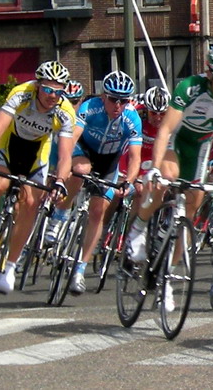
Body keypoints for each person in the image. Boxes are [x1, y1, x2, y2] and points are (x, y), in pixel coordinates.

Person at [124, 44, 213, 311]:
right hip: (176, 141)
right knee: (166, 178)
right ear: (210, 73)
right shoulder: (190, 87)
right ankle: (139, 227)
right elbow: (165, 129)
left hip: (200, 148)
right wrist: (154, 167)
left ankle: (167, 278)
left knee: (190, 213)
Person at [0, 61, 78, 295]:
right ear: (38, 85)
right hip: (8, 146)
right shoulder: (21, 93)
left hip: (35, 155)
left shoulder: (65, 112)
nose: (53, 96)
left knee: (31, 204)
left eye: (58, 91)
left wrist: (61, 181)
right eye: (48, 89)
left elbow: (65, 155)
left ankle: (10, 266)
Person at [58, 70, 143, 295]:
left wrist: (129, 181)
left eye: (124, 100)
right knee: (81, 170)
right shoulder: (90, 107)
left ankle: (80, 269)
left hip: (109, 162)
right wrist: (62, 169)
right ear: (104, 96)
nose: (118, 105)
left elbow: (135, 157)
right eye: (113, 99)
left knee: (97, 212)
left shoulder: (132, 118)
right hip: (84, 151)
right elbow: (73, 138)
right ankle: (61, 213)